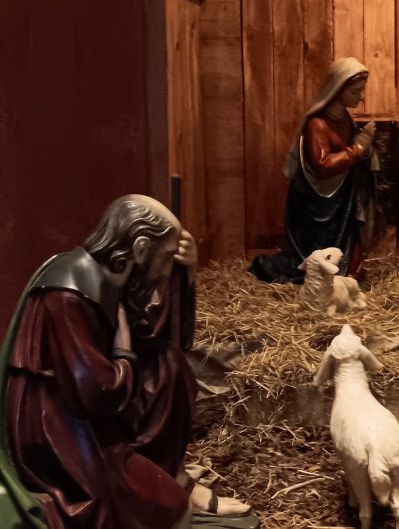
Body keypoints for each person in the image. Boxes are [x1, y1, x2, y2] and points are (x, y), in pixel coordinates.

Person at [1, 195, 254, 529]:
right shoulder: (68, 295)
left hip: (96, 405)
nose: (165, 270)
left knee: (168, 364)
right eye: (165, 258)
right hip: (59, 429)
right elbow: (93, 393)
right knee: (164, 509)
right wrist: (123, 352)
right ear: (139, 248)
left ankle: (167, 474)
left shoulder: (111, 279)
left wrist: (186, 273)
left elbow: (163, 340)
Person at [251, 57, 378, 284]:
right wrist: (358, 148)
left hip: (341, 198)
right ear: (338, 89)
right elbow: (322, 166)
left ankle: (347, 275)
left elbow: (349, 150)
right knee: (318, 251)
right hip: (317, 202)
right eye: (356, 91)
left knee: (348, 242)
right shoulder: (317, 125)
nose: (361, 97)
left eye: (361, 90)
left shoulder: (344, 119)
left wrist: (365, 149)